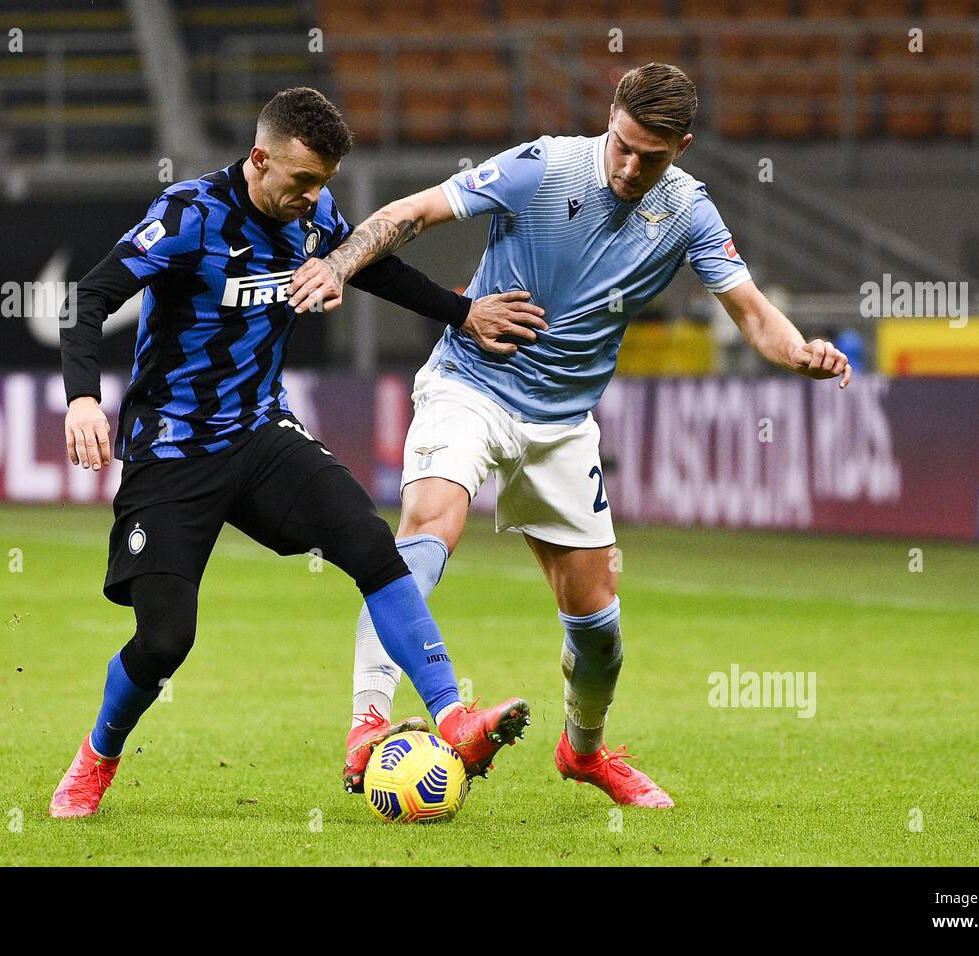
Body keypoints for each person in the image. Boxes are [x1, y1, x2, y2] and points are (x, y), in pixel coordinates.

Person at [288, 63, 853, 808]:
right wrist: (336, 261)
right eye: (620, 144)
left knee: (599, 635)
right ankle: (368, 722)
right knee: (423, 535)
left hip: (561, 426)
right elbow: (416, 212)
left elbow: (749, 311)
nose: (627, 166)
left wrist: (799, 351)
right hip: (470, 387)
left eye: (648, 156)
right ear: (609, 119)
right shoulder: (545, 165)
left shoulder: (689, 213)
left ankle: (583, 752)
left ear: (680, 148)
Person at [48, 87, 544, 817]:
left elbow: (373, 267)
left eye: (325, 185)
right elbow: (88, 297)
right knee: (163, 642)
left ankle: (452, 715)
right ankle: (97, 756)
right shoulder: (190, 216)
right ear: (259, 158)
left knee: (371, 543)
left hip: (260, 432)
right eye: (303, 182)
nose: (315, 200)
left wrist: (463, 312)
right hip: (173, 449)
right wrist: (84, 397)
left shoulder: (310, 218)